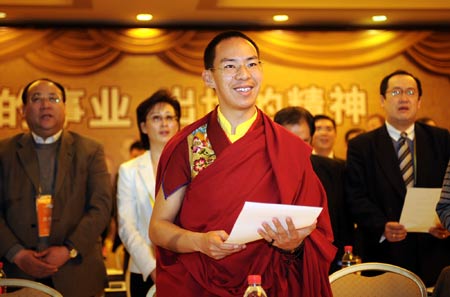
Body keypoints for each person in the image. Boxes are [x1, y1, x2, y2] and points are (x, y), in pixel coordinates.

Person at [149, 31, 336, 297]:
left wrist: (294, 245)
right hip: (200, 283)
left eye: (251, 63)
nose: (244, 74)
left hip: (270, 284)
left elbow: (317, 233)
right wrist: (199, 242)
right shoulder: (189, 145)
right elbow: (158, 227)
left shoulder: (287, 147)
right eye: (229, 66)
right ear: (208, 77)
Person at [0, 78, 112, 297]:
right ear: (23, 110)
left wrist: (68, 249)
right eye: (36, 99)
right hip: (19, 275)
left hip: (79, 275)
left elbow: (101, 206)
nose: (45, 104)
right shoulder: (4, 152)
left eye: (53, 98)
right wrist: (17, 254)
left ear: (65, 108)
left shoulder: (90, 150)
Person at [345, 70, 450, 287]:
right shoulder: (362, 146)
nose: (404, 98)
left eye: (410, 92)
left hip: (435, 250)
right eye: (396, 92)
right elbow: (355, 196)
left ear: (419, 101)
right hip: (385, 253)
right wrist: (381, 225)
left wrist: (446, 221)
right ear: (382, 100)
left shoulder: (441, 139)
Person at [274, 106, 355, 273]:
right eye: (290, 139)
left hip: (325, 264)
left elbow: (343, 219)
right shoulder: (264, 173)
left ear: (311, 139)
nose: (297, 147)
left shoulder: (334, 170)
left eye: (303, 141)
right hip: (277, 265)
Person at [117, 89, 181, 297]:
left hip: (186, 267)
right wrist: (153, 267)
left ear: (178, 124)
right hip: (144, 270)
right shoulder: (129, 170)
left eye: (169, 117)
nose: (164, 124)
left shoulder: (192, 166)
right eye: (156, 118)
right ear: (144, 126)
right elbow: (127, 226)